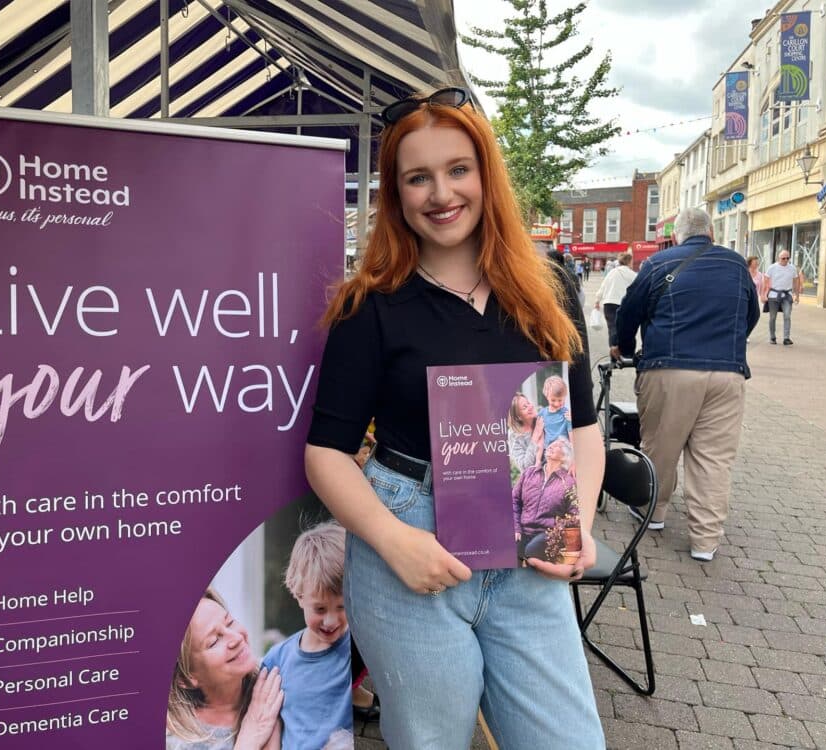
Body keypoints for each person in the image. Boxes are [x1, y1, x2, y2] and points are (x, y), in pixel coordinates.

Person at [304, 86, 605, 749]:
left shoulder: (546, 290)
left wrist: (576, 522)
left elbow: (583, 430)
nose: (440, 193)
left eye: (457, 170)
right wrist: (391, 541)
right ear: (397, 192)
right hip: (412, 544)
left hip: (532, 539)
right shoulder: (371, 306)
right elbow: (326, 453)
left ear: (485, 176)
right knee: (432, 740)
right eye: (418, 177)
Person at [614, 207, 759, 562]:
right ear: (711, 233)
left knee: (661, 446)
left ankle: (654, 512)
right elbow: (751, 314)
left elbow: (629, 311)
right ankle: (705, 541)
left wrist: (626, 348)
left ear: (677, 235)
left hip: (668, 368)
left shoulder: (658, 263)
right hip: (727, 375)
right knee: (714, 458)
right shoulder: (737, 264)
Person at [261, 522, 354, 750]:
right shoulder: (277, 660)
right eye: (320, 609)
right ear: (299, 594)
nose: (331, 620)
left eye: (342, 607)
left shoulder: (361, 648)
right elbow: (268, 722)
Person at [167, 589, 283, 750]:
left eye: (230, 622)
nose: (236, 638)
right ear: (186, 678)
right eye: (214, 641)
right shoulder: (175, 742)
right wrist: (249, 739)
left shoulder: (280, 678)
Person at [513, 438, 577, 560]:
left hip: (546, 535)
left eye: (557, 445)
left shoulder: (569, 483)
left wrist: (555, 533)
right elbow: (514, 500)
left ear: (564, 457)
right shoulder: (530, 473)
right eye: (551, 444)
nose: (551, 446)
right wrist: (516, 527)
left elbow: (574, 517)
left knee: (529, 551)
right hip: (522, 530)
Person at [593, 252, 638, 352]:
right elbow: (638, 288)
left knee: (612, 327)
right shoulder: (632, 274)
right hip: (623, 304)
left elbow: (603, 287)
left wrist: (597, 301)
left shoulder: (612, 272)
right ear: (630, 261)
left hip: (608, 303)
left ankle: (613, 352)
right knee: (625, 328)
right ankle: (625, 352)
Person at [762, 250, 803, 345]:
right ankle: (772, 337)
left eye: (787, 258)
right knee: (772, 317)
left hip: (787, 295)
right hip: (773, 295)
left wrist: (797, 295)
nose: (785, 260)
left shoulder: (792, 268)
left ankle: (786, 338)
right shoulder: (772, 267)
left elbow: (796, 282)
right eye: (783, 258)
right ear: (778, 258)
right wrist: (764, 294)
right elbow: (765, 281)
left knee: (787, 316)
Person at [532, 374, 572, 464]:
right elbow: (541, 439)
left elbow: (571, 438)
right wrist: (538, 460)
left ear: (565, 396)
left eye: (560, 400)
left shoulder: (567, 414)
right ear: (547, 397)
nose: (557, 404)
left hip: (563, 454)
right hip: (547, 454)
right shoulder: (542, 414)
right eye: (553, 400)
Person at [507, 391, 539, 472]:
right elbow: (525, 467)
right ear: (518, 417)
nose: (530, 407)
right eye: (525, 407)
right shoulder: (514, 435)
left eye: (528, 403)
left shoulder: (543, 418)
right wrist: (535, 436)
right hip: (534, 479)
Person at [746, 257, 765, 343]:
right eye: (755, 262)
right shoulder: (745, 272)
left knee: (753, 316)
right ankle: (744, 334)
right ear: (750, 263)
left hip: (754, 298)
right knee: (745, 317)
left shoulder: (760, 275)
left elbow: (761, 287)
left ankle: (747, 334)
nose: (757, 263)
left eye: (757, 262)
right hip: (745, 298)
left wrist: (762, 296)